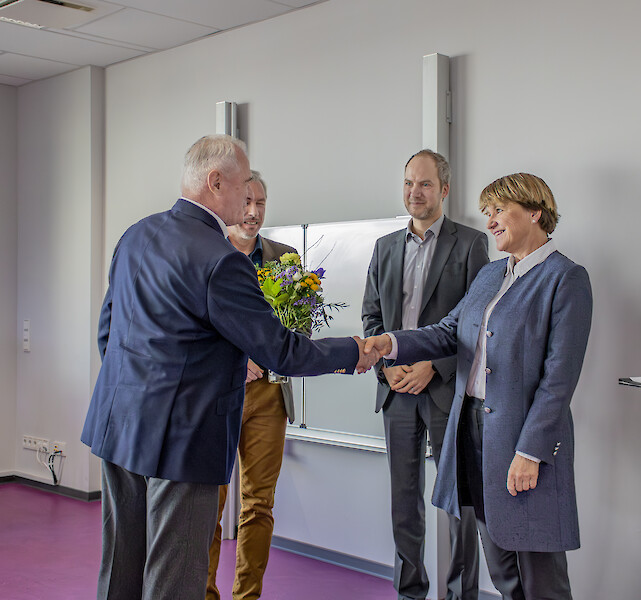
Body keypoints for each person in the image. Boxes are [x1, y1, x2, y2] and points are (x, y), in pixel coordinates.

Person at [81, 134, 379, 600]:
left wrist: (137, 396)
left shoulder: (135, 235)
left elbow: (108, 331)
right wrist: (354, 351)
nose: (248, 197)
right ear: (215, 182)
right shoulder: (220, 260)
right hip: (183, 441)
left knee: (120, 571)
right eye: (243, 185)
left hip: (118, 426)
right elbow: (282, 351)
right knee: (174, 579)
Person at [365, 173, 593, 600]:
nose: (489, 221)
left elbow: (559, 380)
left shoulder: (565, 278)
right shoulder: (490, 275)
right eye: (487, 212)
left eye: (498, 211)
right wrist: (388, 344)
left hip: (522, 441)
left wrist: (530, 452)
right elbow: (448, 331)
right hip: (471, 432)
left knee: (540, 575)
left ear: (535, 212)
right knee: (503, 567)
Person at [362, 150, 488, 600]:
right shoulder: (384, 247)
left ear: (445, 189)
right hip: (396, 392)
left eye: (426, 184)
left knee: (460, 506)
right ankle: (410, 592)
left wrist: (434, 366)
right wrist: (389, 365)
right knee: (404, 504)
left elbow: (479, 322)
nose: (415, 192)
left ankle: (460, 595)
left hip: (447, 393)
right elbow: (372, 316)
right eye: (409, 183)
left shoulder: (471, 244)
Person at [205, 171, 297, 600]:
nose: (254, 212)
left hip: (269, 398)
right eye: (247, 202)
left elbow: (299, 328)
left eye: (261, 202)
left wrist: (271, 358)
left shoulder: (286, 258)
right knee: (209, 505)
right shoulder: (206, 254)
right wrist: (235, 362)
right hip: (217, 395)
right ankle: (203, 593)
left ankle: (247, 596)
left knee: (259, 504)